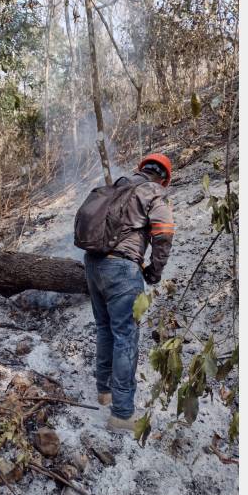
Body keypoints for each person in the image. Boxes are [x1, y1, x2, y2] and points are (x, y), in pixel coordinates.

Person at [85, 153, 175, 432]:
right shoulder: (154, 192)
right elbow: (164, 232)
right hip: (122, 269)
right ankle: (122, 414)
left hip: (93, 263)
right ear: (164, 179)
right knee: (125, 337)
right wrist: (155, 271)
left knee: (104, 328)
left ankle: (104, 391)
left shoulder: (118, 185)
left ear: (141, 168)